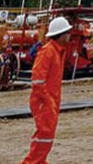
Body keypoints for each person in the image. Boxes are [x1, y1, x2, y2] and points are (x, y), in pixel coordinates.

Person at [19, 16, 72, 164]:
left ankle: (40, 161)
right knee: (44, 135)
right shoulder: (47, 52)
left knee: (46, 136)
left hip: (49, 101)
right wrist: (48, 101)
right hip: (44, 102)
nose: (69, 35)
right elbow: (37, 81)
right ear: (61, 35)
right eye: (67, 32)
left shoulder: (57, 52)